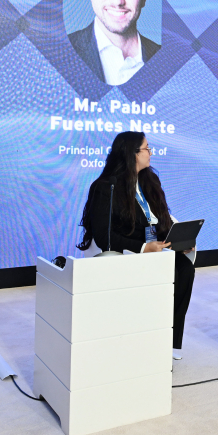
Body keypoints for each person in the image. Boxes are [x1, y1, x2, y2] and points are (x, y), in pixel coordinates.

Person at [77, 131, 194, 359]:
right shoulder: (106, 187)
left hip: (156, 249)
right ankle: (148, 339)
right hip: (128, 253)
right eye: (146, 148)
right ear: (132, 153)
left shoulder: (151, 180)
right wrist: (143, 248)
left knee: (185, 268)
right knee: (170, 272)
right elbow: (103, 236)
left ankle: (169, 340)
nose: (150, 153)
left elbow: (162, 218)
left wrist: (179, 240)